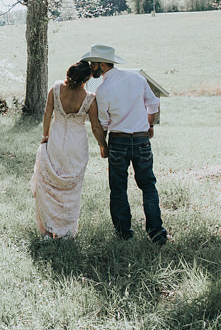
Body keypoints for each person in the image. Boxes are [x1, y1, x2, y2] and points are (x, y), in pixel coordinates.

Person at [81, 44, 167, 245]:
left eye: (93, 63)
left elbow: (103, 123)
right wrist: (150, 124)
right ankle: (157, 233)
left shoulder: (102, 90)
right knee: (148, 186)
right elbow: (153, 103)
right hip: (141, 138)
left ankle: (123, 233)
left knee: (118, 188)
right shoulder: (136, 77)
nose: (91, 67)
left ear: (102, 64)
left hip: (118, 141)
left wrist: (103, 145)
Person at [30, 61, 108, 238]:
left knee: (51, 184)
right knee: (71, 187)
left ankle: (50, 230)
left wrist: (45, 136)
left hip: (56, 141)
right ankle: (65, 231)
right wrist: (103, 145)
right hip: (76, 146)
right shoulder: (89, 98)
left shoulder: (56, 88)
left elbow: (47, 114)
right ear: (87, 78)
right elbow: (96, 127)